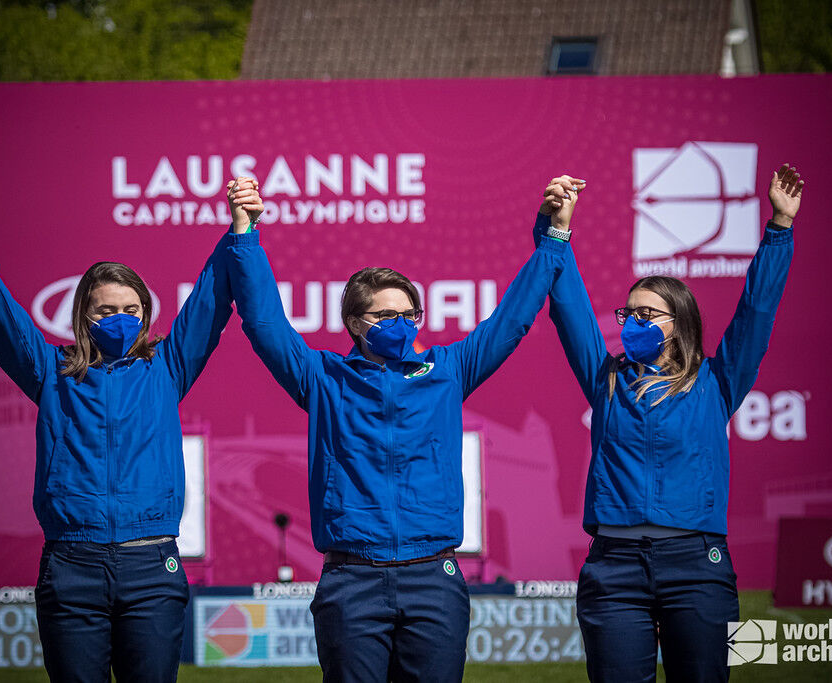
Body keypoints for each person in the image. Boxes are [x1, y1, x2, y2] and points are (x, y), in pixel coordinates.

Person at [222, 176, 574, 682]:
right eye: (384, 315)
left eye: (409, 314)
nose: (400, 323)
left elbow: (511, 321)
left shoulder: (448, 370)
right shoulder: (323, 378)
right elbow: (264, 324)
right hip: (351, 578)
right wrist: (246, 234)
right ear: (354, 323)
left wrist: (554, 239)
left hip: (434, 576)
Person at [0, 179, 240, 682]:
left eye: (131, 310)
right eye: (106, 310)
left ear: (146, 314)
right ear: (83, 318)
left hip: (151, 567)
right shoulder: (50, 371)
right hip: (72, 568)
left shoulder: (166, 368)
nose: (120, 319)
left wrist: (239, 229)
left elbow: (210, 302)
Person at [541, 165, 802, 681]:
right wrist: (555, 229)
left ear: (679, 323)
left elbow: (756, 311)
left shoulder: (716, 382)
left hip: (695, 567)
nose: (633, 322)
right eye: (628, 313)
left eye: (648, 314)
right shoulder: (606, 377)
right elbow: (567, 305)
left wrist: (779, 229)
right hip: (613, 568)